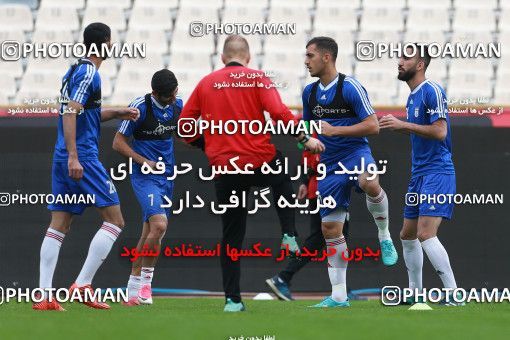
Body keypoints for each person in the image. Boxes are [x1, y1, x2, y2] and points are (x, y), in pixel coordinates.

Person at [178, 35, 324, 312]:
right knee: (280, 175)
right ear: (248, 57)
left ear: (222, 58)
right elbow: (279, 112)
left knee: (231, 236)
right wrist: (304, 139)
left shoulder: (206, 83)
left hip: (225, 168)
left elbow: (184, 125)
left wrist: (206, 143)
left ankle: (232, 301)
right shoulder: (257, 78)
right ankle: (289, 233)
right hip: (259, 159)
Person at [33, 22, 140, 311]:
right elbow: (70, 112)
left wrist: (116, 112)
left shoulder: (75, 70)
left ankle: (44, 297)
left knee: (60, 224)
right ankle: (82, 285)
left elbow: (83, 113)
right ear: (104, 42)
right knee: (115, 220)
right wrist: (74, 156)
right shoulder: (89, 72)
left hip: (65, 155)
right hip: (82, 156)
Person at [302, 36, 398, 308]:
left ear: (326, 57)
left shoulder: (350, 87)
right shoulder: (309, 93)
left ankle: (384, 235)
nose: (306, 61)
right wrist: (305, 140)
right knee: (330, 228)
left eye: (310, 56)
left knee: (369, 182)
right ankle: (339, 296)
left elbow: (373, 126)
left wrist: (336, 130)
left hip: (355, 154)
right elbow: (304, 130)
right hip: (329, 164)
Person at [380, 44, 462, 306]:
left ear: (421, 64)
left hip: (438, 171)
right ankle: (415, 293)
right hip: (420, 175)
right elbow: (419, 129)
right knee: (407, 234)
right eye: (399, 56)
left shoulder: (432, 90)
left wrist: (402, 124)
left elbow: (440, 132)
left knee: (426, 234)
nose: (399, 61)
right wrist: (398, 126)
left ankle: (454, 295)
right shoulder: (413, 96)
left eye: (406, 57)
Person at [112, 69, 183, 306]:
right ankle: (146, 286)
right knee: (160, 225)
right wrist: (144, 161)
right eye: (168, 96)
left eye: (174, 94)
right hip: (144, 176)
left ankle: (132, 289)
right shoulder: (139, 108)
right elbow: (117, 143)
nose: (173, 99)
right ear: (154, 93)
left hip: (167, 177)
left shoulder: (177, 105)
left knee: (150, 232)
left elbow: (186, 133)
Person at [265, 136, 351, 301]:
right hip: (329, 189)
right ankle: (283, 277)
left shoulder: (315, 129)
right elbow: (318, 159)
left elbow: (308, 158)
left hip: (317, 187)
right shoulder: (330, 128)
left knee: (326, 239)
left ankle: (342, 289)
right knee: (332, 238)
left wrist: (304, 182)